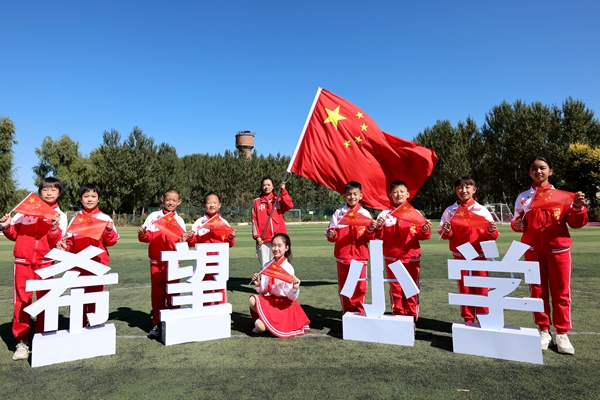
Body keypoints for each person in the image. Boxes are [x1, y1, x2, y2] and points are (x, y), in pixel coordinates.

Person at [511, 156, 587, 355]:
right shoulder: (524, 197)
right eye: (533, 168)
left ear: (550, 171)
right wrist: (517, 224)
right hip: (532, 250)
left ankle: (562, 333)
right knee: (537, 292)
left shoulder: (562, 196)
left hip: (559, 251)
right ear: (529, 172)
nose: (538, 171)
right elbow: (518, 222)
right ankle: (544, 330)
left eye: (542, 168)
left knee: (561, 292)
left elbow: (576, 223)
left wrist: (578, 207)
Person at [0, 177, 67, 360]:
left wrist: (54, 227)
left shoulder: (60, 215)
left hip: (46, 264)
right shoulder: (26, 210)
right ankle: (21, 341)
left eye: (53, 190)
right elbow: (14, 234)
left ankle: (43, 338)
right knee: (22, 302)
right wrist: (7, 227)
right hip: (23, 263)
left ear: (59, 193)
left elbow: (56, 243)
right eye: (45, 189)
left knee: (46, 301)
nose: (49, 193)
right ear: (40, 192)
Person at [437, 176, 499, 324]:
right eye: (460, 187)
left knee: (482, 289)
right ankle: (468, 321)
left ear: (474, 189)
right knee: (464, 290)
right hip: (460, 256)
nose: (463, 190)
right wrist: (447, 230)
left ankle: (484, 320)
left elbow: (492, 235)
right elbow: (444, 234)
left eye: (467, 187)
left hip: (480, 256)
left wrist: (491, 230)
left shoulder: (482, 210)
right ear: (455, 190)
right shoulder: (450, 211)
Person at [57, 184, 119, 326]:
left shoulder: (104, 218)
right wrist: (66, 248)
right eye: (86, 196)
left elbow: (112, 241)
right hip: (77, 265)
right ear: (80, 199)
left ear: (98, 199)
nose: (89, 199)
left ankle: (95, 327)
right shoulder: (76, 218)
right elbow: (70, 242)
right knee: (77, 298)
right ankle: (78, 326)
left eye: (93, 196)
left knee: (96, 298)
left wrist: (108, 231)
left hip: (97, 264)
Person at [372, 180, 432, 319]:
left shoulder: (415, 213)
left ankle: (411, 317)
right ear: (390, 195)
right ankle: (398, 315)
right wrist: (378, 227)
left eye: (401, 191)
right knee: (396, 288)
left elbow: (423, 236)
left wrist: (424, 229)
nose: (398, 194)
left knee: (411, 288)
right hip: (392, 258)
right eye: (395, 192)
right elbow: (379, 236)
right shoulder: (384, 214)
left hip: (411, 257)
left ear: (408, 194)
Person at [138, 189, 186, 339]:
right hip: (156, 262)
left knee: (174, 293)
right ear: (162, 200)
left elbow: (182, 241)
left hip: (173, 262)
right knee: (157, 295)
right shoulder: (154, 216)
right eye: (168, 199)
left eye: (174, 200)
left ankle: (174, 321)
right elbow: (146, 237)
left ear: (179, 202)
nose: (171, 202)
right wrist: (142, 233)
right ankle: (157, 323)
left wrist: (184, 240)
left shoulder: (179, 220)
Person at [248, 233, 310, 337]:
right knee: (252, 300)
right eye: (273, 245)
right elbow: (264, 290)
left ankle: (270, 324)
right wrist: (258, 283)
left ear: (286, 248)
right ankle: (269, 322)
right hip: (271, 301)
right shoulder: (267, 265)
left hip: (283, 306)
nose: (276, 249)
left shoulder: (288, 268)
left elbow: (291, 297)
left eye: (279, 246)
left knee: (259, 325)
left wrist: (295, 288)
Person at [326, 181, 373, 314]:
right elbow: (331, 233)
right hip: (343, 257)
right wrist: (332, 234)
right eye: (349, 194)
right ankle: (347, 311)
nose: (352, 197)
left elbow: (370, 237)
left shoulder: (365, 213)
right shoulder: (339, 213)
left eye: (355, 194)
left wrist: (371, 229)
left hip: (360, 256)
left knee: (361, 287)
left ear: (361, 195)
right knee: (345, 287)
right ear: (344, 196)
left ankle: (359, 311)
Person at [185, 192, 236, 305]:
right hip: (203, 262)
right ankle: (207, 310)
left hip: (219, 262)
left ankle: (220, 310)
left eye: (215, 202)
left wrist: (231, 237)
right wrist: (190, 237)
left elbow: (230, 244)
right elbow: (192, 243)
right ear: (204, 205)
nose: (212, 205)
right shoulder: (199, 223)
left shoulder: (224, 223)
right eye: (209, 203)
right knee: (205, 288)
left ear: (219, 205)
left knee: (220, 288)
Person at [251, 177, 293, 266]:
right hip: (264, 240)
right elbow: (254, 220)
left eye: (268, 185)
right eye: (264, 185)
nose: (266, 187)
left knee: (280, 265)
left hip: (279, 239)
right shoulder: (257, 202)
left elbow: (289, 205)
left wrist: (283, 191)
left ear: (273, 186)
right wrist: (257, 237)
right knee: (266, 266)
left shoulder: (278, 200)